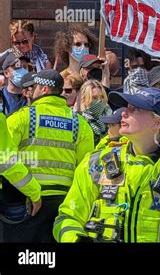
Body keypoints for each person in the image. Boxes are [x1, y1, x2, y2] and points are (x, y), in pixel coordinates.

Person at [53, 88, 160, 243]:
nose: (123, 113)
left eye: (134, 109)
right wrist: (75, 239)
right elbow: (67, 218)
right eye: (125, 107)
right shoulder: (97, 163)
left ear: (158, 122)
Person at [4, 69, 94, 242]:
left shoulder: (22, 118)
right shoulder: (80, 124)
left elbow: (5, 158)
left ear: (44, 89)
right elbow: (86, 169)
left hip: (28, 198)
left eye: (33, 87)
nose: (30, 91)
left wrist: (32, 190)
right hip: (65, 201)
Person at [77, 79, 112, 145]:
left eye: (102, 97)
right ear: (83, 99)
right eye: (94, 98)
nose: (99, 101)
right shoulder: (78, 120)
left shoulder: (111, 120)